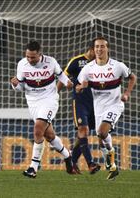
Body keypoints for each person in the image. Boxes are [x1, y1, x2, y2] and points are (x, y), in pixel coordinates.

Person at [10, 40, 75, 178]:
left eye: (33, 57)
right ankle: (67, 155)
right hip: (33, 102)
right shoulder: (22, 64)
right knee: (49, 135)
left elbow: (60, 74)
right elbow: (21, 88)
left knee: (38, 129)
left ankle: (33, 167)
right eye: (27, 56)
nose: (30, 59)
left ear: (40, 54)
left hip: (49, 99)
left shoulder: (51, 62)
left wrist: (67, 82)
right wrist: (15, 85)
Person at [76, 36, 136, 180]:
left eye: (102, 46)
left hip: (115, 104)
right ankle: (112, 167)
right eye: (97, 46)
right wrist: (81, 87)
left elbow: (133, 77)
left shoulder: (118, 66)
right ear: (93, 49)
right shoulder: (88, 69)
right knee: (100, 136)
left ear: (107, 48)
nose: (99, 49)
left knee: (102, 132)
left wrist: (127, 93)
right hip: (98, 107)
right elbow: (77, 87)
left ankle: (111, 155)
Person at [56, 43, 101, 174]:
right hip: (80, 102)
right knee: (83, 130)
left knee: (84, 135)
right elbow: (62, 77)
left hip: (96, 103)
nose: (99, 52)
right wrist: (55, 95)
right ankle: (91, 164)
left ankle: (72, 162)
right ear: (91, 49)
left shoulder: (100, 63)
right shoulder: (77, 61)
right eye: (97, 49)